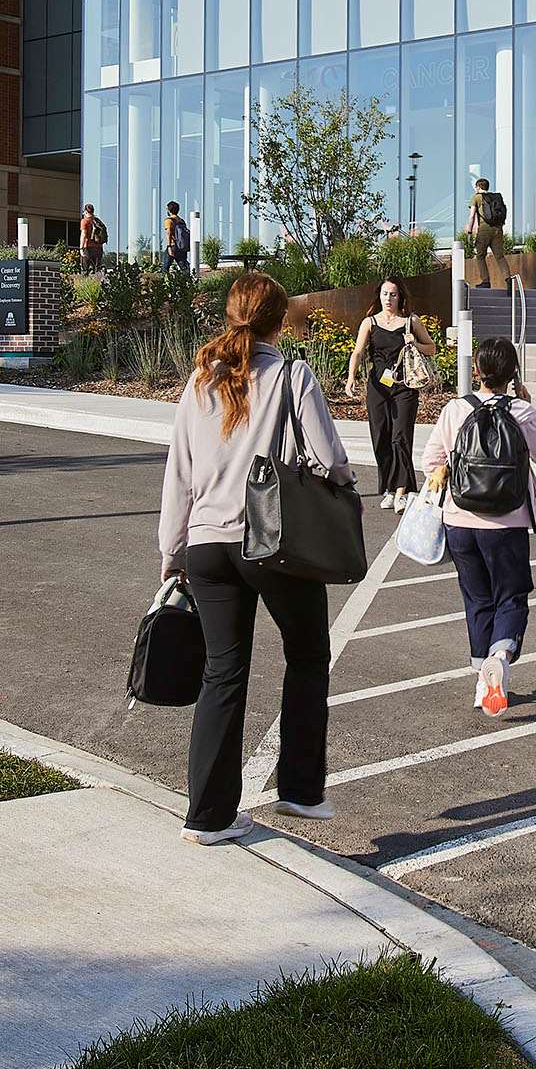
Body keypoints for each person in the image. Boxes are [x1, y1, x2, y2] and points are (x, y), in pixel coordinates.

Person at [158, 273, 352, 845]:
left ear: (231, 314)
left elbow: (179, 473)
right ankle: (300, 789)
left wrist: (172, 552)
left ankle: (208, 817)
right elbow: (328, 457)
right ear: (279, 320)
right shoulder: (293, 374)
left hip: (207, 545)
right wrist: (345, 485)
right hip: (273, 542)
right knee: (309, 654)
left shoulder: (200, 381)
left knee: (223, 672)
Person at [422, 338, 536, 718]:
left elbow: (430, 460)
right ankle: (500, 655)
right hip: (508, 521)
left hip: (460, 520)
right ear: (512, 374)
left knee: (477, 599)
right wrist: (530, 408)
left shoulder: (455, 409)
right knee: (511, 596)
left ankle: (484, 679)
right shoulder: (521, 411)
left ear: (477, 371)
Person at [343, 278, 437, 511]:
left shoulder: (411, 322)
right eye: (385, 294)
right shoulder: (370, 322)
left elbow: (431, 348)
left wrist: (414, 342)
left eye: (393, 294)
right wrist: (351, 377)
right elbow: (358, 352)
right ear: (379, 296)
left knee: (400, 438)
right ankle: (388, 488)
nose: (388, 299)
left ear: (400, 297)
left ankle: (401, 491)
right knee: (381, 438)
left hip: (405, 387)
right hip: (378, 388)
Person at [462, 178, 505, 289]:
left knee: (480, 256)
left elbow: (472, 216)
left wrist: (469, 232)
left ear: (478, 187)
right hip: (498, 229)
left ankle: (485, 281)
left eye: (476, 187)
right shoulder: (496, 197)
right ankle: (508, 279)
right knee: (500, 257)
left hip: (484, 230)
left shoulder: (476, 197)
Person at [163, 201, 193, 276]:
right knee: (184, 268)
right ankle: (188, 281)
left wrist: (169, 247)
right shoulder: (181, 221)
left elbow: (169, 233)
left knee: (165, 267)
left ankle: (165, 281)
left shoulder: (169, 220)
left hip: (173, 246)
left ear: (169, 210)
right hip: (182, 247)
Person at [79, 204, 106, 272]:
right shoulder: (97, 221)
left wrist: (81, 248)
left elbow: (83, 235)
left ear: (85, 211)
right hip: (99, 247)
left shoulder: (85, 221)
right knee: (97, 269)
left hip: (88, 248)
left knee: (86, 270)